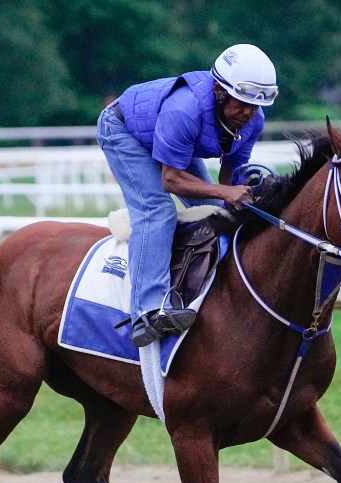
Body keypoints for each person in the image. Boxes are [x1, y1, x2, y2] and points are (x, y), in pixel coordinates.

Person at [96, 44, 278, 347]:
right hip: (123, 130)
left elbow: (230, 175)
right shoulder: (185, 108)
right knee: (158, 211)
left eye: (254, 106)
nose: (247, 113)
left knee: (217, 211)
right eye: (241, 103)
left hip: (172, 139)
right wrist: (226, 191)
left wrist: (250, 188)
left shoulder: (253, 121)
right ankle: (147, 312)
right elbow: (171, 179)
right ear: (220, 90)